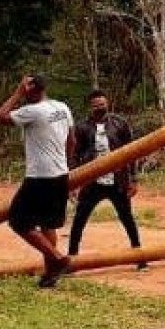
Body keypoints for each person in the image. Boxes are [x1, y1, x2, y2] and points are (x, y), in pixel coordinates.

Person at [0, 73, 74, 286]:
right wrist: (68, 165)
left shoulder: (32, 111)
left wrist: (17, 93)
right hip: (60, 174)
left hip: (40, 176)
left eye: (25, 90)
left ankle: (58, 258)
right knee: (48, 225)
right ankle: (50, 276)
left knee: (18, 221)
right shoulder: (62, 107)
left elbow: (0, 117)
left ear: (30, 91)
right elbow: (71, 140)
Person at [67, 90, 144, 266]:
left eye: (103, 104)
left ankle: (140, 257)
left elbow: (131, 152)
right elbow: (74, 155)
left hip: (118, 181)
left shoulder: (119, 123)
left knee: (127, 218)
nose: (100, 108)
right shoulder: (82, 127)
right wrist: (74, 181)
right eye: (96, 105)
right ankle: (70, 258)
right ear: (91, 107)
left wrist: (133, 179)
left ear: (107, 104)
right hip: (91, 182)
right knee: (79, 219)